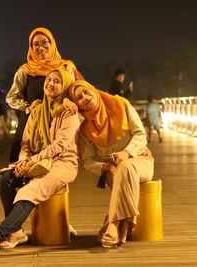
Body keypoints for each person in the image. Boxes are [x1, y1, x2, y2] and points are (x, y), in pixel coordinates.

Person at [0, 68, 79, 254]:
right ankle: (16, 231)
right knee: (5, 179)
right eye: (49, 79)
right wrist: (22, 162)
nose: (51, 83)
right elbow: (25, 144)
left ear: (64, 86)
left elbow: (60, 145)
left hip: (62, 163)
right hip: (36, 162)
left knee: (30, 190)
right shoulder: (37, 110)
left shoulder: (68, 112)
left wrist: (31, 161)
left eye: (57, 81)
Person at [67, 80, 154, 248]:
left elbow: (140, 134)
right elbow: (87, 161)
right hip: (112, 170)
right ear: (77, 105)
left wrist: (126, 153)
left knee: (126, 166)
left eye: (86, 91)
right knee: (120, 169)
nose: (85, 97)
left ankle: (112, 224)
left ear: (93, 88)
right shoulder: (85, 130)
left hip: (140, 160)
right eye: (79, 97)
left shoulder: (120, 104)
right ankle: (120, 226)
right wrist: (105, 167)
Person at [6, 27, 81, 163]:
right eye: (36, 44)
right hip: (31, 120)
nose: (41, 47)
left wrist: (66, 100)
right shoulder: (25, 71)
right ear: (31, 48)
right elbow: (11, 97)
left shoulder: (66, 67)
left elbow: (73, 92)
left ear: (52, 44)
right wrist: (28, 106)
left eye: (44, 42)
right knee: (20, 158)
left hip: (56, 120)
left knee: (55, 162)